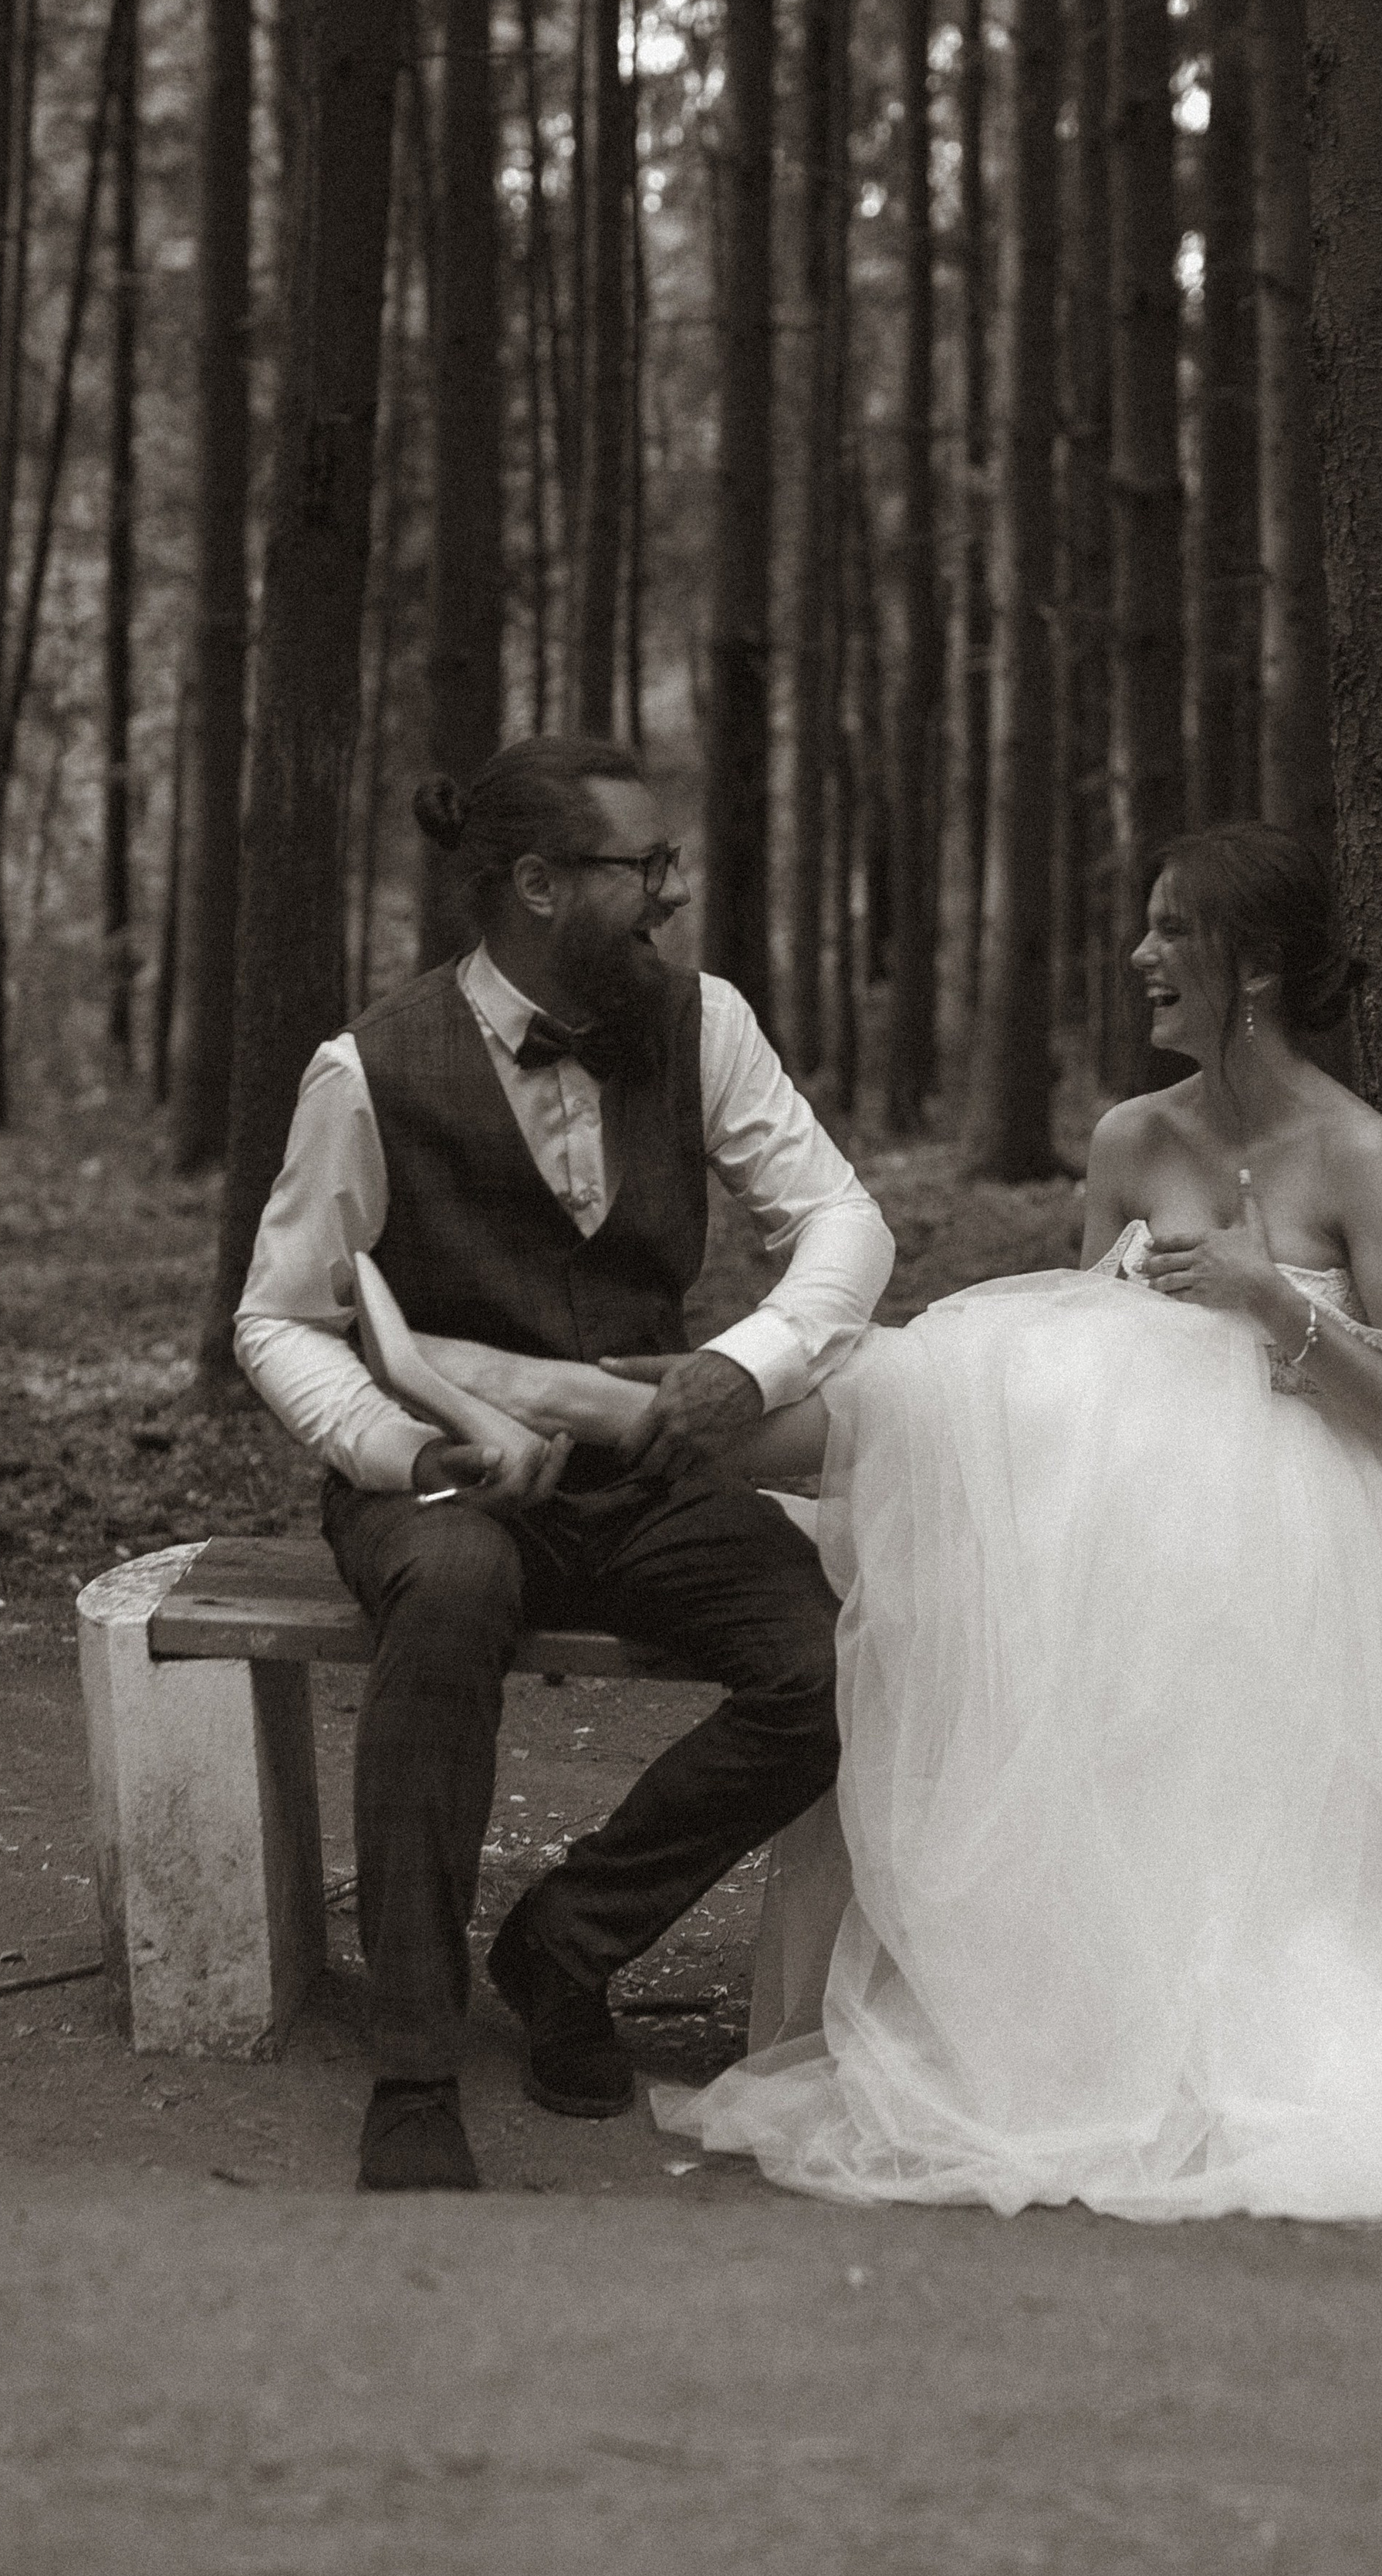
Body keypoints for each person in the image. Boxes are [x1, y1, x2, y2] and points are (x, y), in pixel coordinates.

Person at [427, 821, 1382, 2226]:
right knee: (939, 1376)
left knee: (925, 1391)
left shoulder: (1359, 1157)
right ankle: (617, 1403)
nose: (1140, 956)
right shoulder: (1134, 1136)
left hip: (1294, 1521)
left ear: (1253, 971)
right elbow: (1067, 1351)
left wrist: (1274, 1304)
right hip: (1109, 1512)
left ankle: (610, 1405)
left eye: (1169, 933)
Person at [235, 738, 895, 2194]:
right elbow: (280, 1318)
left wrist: (750, 1366)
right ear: (536, 884)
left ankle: (565, 1945)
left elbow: (845, 1224)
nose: (671, 892)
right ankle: (415, 2061)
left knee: (828, 1666)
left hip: (651, 1473)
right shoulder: (366, 1068)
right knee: (453, 1601)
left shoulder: (702, 1021)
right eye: (641, 866)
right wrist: (402, 1447)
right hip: (439, 1484)